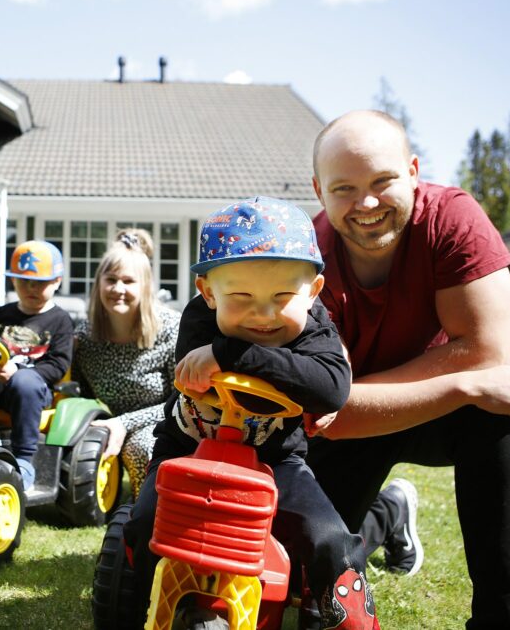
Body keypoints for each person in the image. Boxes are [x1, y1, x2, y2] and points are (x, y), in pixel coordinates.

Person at [306, 110, 510, 629]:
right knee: (309, 580)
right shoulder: (307, 260)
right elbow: (329, 412)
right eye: (345, 188)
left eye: (383, 181)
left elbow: (487, 355)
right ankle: (386, 516)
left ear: (413, 171)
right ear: (319, 190)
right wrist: (461, 379)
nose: (367, 203)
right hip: (360, 425)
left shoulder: (453, 218)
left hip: (446, 414)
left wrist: (468, 382)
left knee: (494, 413)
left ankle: (502, 622)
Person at [125, 197, 380, 630]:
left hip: (276, 459)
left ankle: (336, 613)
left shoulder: (316, 327)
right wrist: (254, 361)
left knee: (328, 539)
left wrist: (233, 351)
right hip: (188, 448)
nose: (263, 314)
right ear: (208, 292)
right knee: (145, 523)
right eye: (241, 296)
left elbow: (332, 389)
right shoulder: (199, 318)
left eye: (283, 296)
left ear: (313, 291)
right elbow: (194, 373)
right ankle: (134, 605)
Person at [72, 228, 180, 499]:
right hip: (112, 423)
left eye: (128, 281)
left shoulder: (171, 330)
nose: (118, 289)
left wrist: (125, 422)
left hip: (171, 426)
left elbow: (185, 402)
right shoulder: (85, 338)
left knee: (143, 446)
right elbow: (82, 396)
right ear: (99, 284)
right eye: (111, 279)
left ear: (144, 286)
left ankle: (146, 515)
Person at [0, 239, 74, 491]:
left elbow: (57, 365)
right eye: (24, 281)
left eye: (40, 282)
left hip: (35, 390)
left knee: (24, 382)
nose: (31, 288)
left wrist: (18, 370)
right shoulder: (1, 315)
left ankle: (24, 458)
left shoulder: (60, 321)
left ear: (57, 281)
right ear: (13, 281)